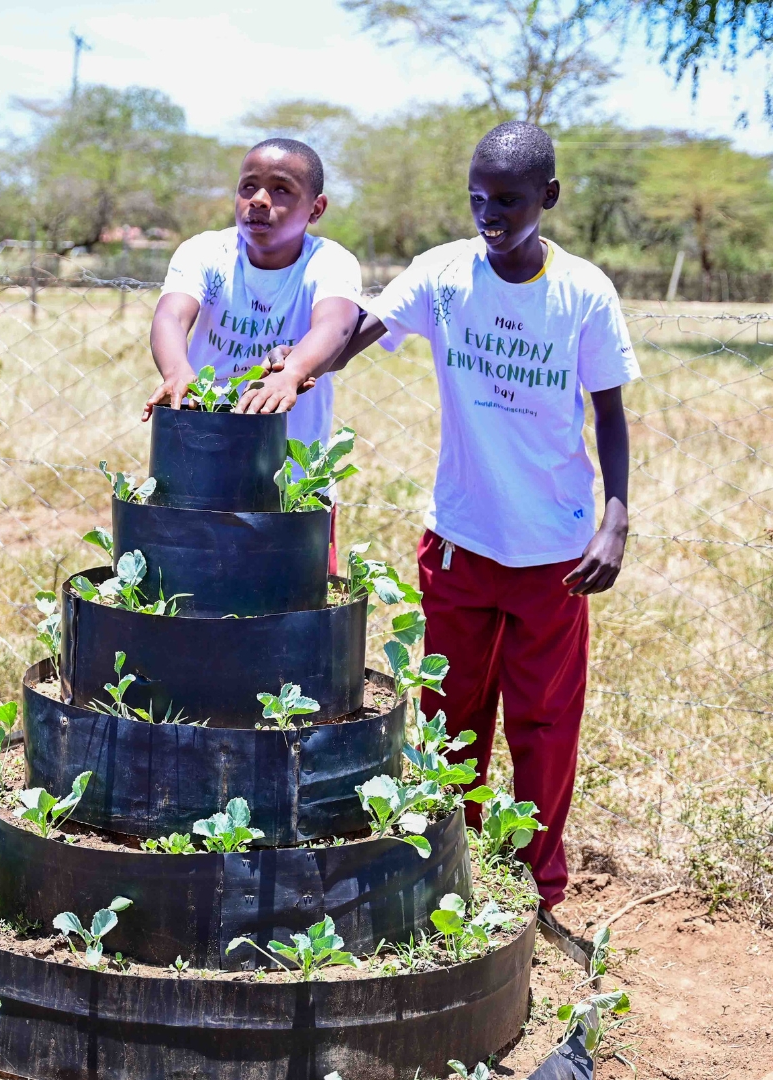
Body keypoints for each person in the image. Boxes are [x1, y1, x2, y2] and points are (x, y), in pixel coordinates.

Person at [272, 121, 639, 910]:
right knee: (451, 714)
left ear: (549, 197)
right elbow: (359, 335)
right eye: (477, 198)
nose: (489, 214)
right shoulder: (443, 275)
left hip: (555, 551)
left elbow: (608, 413)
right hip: (461, 538)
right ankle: (448, 866)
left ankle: (537, 885)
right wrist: (300, 361)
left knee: (543, 724)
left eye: (507, 199)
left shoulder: (583, 292)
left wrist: (615, 517)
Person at [143, 137, 362, 569]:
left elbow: (335, 325)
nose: (260, 200)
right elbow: (170, 316)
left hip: (291, 482)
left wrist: (292, 372)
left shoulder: (330, 263)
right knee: (192, 599)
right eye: (248, 187)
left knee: (295, 606)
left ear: (316, 209)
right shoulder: (206, 252)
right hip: (201, 474)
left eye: (281, 189)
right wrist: (176, 370)